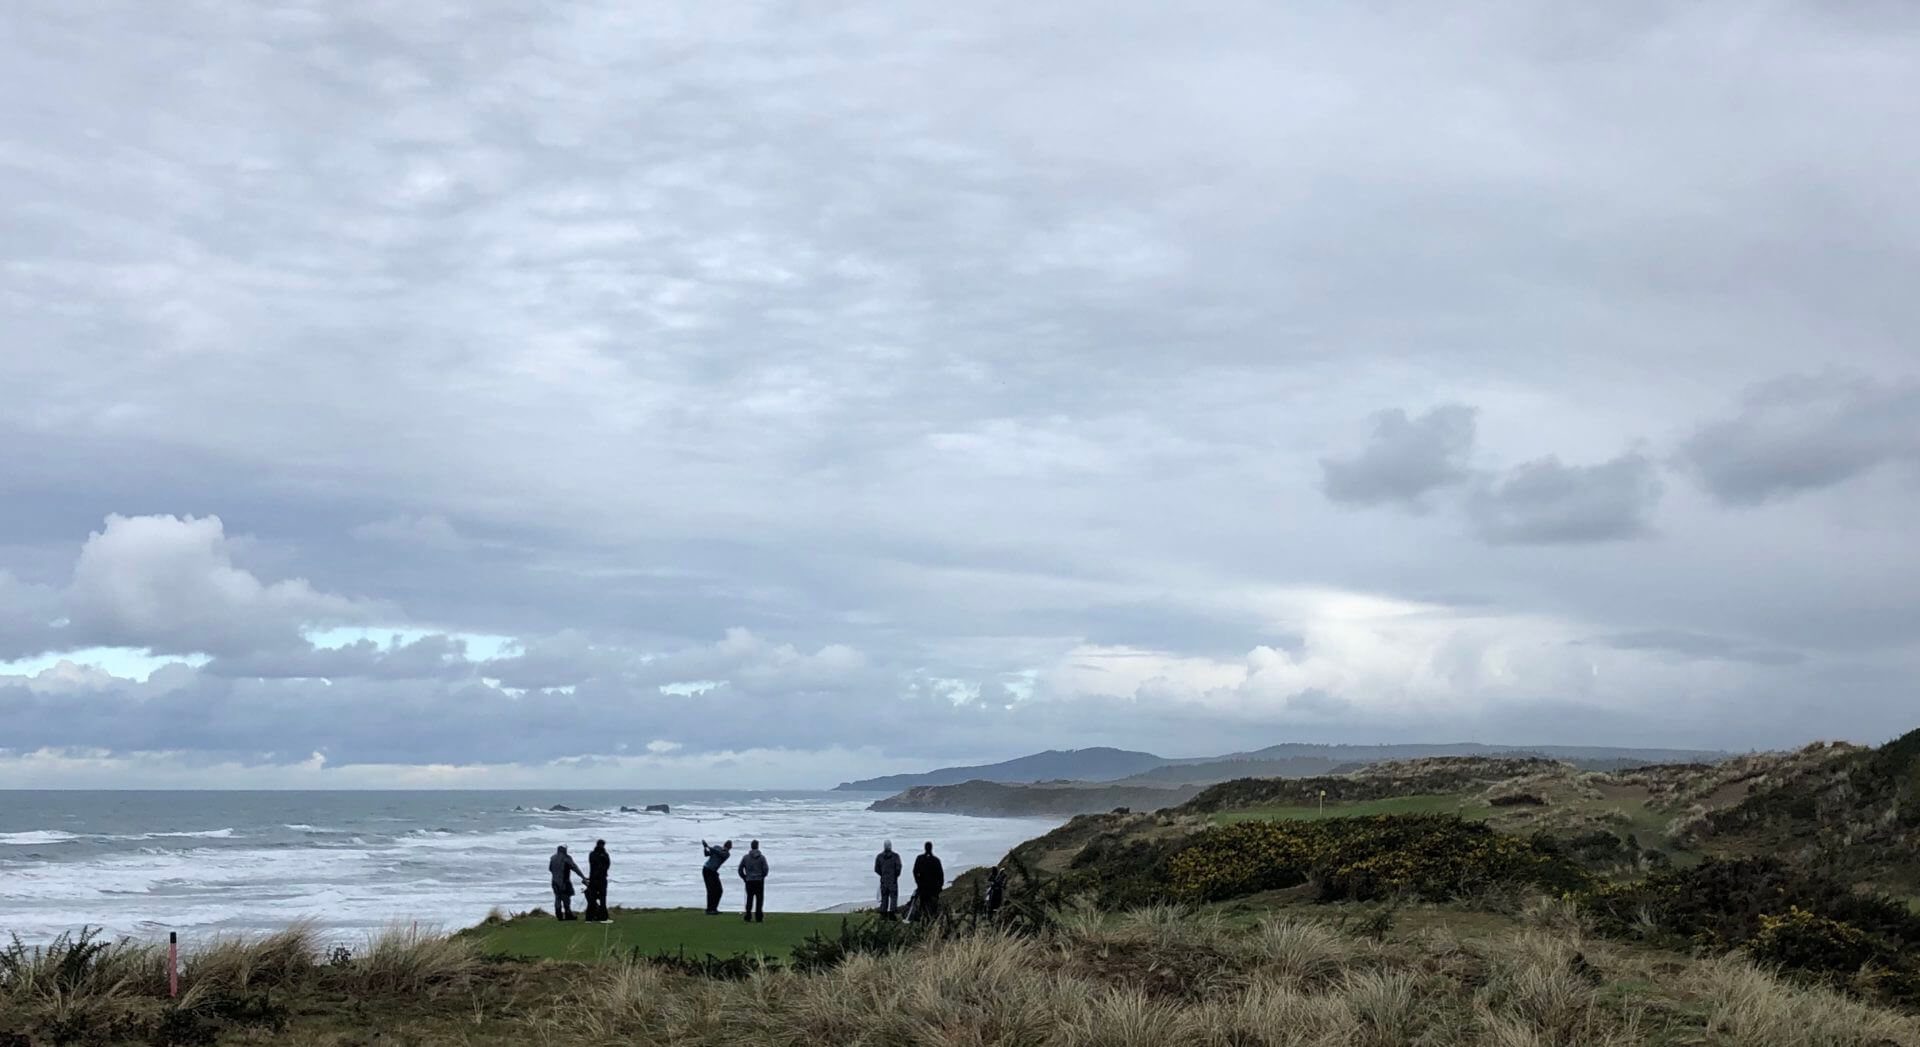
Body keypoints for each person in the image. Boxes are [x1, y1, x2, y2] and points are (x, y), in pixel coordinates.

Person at [549, 845, 585, 921]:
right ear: (564, 849)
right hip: (564, 881)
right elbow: (574, 868)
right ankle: (568, 914)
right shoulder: (566, 858)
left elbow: (550, 869)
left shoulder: (553, 858)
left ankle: (559, 915)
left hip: (554, 881)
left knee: (557, 897)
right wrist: (583, 877)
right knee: (566, 898)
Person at [912, 841, 944, 922]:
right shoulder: (936, 860)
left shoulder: (920, 859)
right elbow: (941, 875)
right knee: (933, 906)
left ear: (925, 848)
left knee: (923, 906)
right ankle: (931, 920)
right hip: (933, 888)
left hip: (923, 887)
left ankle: (924, 920)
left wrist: (918, 882)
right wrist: (939, 886)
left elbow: (915, 871)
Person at [737, 839, 769, 922]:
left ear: (751, 846)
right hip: (759, 880)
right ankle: (759, 917)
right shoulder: (762, 858)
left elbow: (740, 869)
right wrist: (762, 876)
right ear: (757, 846)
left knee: (749, 899)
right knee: (759, 899)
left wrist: (744, 877)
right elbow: (765, 869)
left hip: (749, 880)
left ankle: (748, 916)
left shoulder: (746, 857)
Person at [700, 838, 732, 915]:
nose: (726, 849)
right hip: (707, 870)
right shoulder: (717, 847)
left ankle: (713, 908)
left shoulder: (727, 854)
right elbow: (707, 854)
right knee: (711, 890)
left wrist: (708, 846)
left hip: (713, 871)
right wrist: (705, 847)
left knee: (719, 890)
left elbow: (720, 854)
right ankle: (709, 909)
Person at [873, 840, 903, 920]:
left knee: (884, 896)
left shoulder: (879, 856)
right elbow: (898, 867)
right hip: (893, 880)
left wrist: (882, 875)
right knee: (893, 896)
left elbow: (876, 869)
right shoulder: (896, 856)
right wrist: (895, 875)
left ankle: (883, 913)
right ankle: (892, 914)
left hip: (884, 880)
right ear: (891, 846)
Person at [584, 839, 611, 923]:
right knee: (602, 898)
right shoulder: (605, 855)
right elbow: (607, 865)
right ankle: (603, 917)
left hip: (592, 879)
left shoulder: (591, 854)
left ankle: (589, 918)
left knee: (592, 899)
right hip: (602, 879)